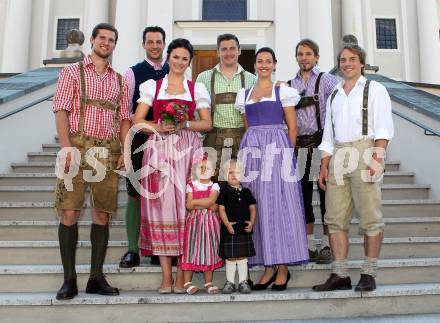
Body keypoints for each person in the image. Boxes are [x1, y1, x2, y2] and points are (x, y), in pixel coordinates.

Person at [53, 23, 130, 300]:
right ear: (93, 41)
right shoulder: (71, 72)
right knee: (70, 211)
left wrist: (124, 149)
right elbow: (61, 111)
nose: (106, 43)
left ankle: (96, 277)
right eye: (102, 38)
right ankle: (69, 279)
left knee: (102, 213)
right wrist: (65, 148)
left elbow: (123, 119)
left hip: (106, 152)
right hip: (76, 146)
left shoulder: (119, 80)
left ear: (114, 45)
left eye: (111, 40)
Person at [133, 38, 212, 294]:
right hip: (159, 153)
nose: (179, 62)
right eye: (175, 57)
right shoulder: (152, 87)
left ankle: (182, 277)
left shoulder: (195, 88)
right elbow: (137, 121)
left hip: (188, 151)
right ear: (168, 58)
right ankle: (167, 277)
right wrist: (158, 126)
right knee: (161, 212)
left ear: (189, 62)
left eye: (184, 59)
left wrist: (184, 124)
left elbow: (207, 124)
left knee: (187, 212)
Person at [313, 44, 394, 292]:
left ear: (361, 62)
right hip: (338, 152)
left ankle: (369, 273)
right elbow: (328, 132)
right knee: (335, 219)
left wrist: (376, 158)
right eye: (342, 59)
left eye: (351, 59)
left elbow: (383, 126)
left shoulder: (374, 89)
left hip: (364, 150)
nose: (346, 63)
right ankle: (340, 274)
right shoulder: (335, 94)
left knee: (370, 217)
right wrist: (324, 164)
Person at [235, 47, 308, 292]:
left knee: (279, 207)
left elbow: (293, 128)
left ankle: (283, 266)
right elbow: (248, 127)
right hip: (253, 153)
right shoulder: (244, 94)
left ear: (274, 64)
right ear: (254, 65)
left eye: (268, 61)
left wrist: (288, 157)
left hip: (277, 150)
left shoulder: (283, 92)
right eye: (260, 61)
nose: (264, 64)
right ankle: (268, 265)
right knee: (258, 207)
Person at [119, 26, 169, 268]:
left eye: (158, 42)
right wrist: (124, 147)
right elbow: (124, 113)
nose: (155, 45)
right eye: (150, 41)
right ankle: (132, 250)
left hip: (167, 140)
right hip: (139, 138)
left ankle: (159, 248)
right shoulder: (132, 73)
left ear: (164, 44)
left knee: (162, 194)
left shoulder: (174, 70)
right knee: (135, 192)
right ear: (144, 44)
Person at [288, 39, 338, 264]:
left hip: (322, 144)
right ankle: (308, 245)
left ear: (316, 57)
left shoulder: (327, 80)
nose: (304, 58)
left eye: (308, 54)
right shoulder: (290, 85)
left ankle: (328, 246)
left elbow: (337, 111)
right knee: (304, 198)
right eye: (300, 54)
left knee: (327, 197)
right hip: (300, 146)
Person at [196, 34, 256, 177]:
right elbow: (197, 112)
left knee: (242, 182)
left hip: (243, 138)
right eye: (224, 49)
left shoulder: (252, 79)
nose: (228, 53)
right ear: (218, 52)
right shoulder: (203, 78)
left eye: (232, 48)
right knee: (213, 182)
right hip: (213, 138)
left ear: (239, 50)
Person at [181, 157, 223, 295]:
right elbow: (188, 205)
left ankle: (208, 282)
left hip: (210, 224)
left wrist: (196, 203)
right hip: (194, 223)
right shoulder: (190, 185)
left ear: (214, 172)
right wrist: (206, 204)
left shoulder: (214, 186)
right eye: (201, 168)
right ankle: (187, 282)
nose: (204, 171)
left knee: (209, 250)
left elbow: (211, 200)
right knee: (191, 249)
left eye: (207, 168)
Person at [217, 158, 256, 294]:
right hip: (230, 229)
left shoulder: (247, 192)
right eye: (230, 172)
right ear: (224, 175)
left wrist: (251, 222)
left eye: (237, 172)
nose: (234, 175)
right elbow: (221, 209)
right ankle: (230, 282)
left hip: (243, 229)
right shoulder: (224, 192)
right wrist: (227, 223)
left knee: (242, 257)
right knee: (231, 257)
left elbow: (252, 208)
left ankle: (243, 282)